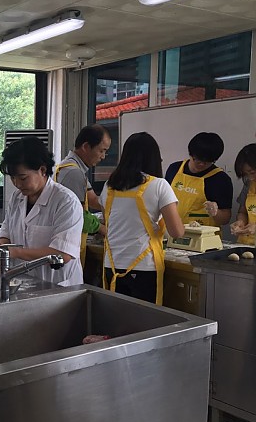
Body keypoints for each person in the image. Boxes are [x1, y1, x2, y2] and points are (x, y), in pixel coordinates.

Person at [0, 136, 84, 286]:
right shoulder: (17, 198)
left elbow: (62, 254)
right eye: (13, 178)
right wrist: (2, 247)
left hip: (60, 286)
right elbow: (7, 234)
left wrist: (16, 253)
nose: (17, 184)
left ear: (42, 170)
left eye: (23, 178)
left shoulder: (66, 201)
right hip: (24, 284)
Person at [99, 132, 185, 305]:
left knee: (117, 322)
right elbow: (176, 232)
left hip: (112, 265)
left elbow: (107, 219)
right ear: (154, 158)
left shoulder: (109, 186)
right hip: (143, 267)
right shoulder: (159, 185)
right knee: (145, 325)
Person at [53, 124, 110, 265]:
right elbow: (78, 216)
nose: (103, 157)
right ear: (86, 146)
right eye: (101, 151)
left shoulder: (71, 167)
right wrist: (103, 229)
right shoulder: (73, 173)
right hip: (66, 246)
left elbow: (93, 200)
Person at [165, 132, 233, 226]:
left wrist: (216, 213)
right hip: (171, 231)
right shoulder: (174, 169)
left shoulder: (220, 180)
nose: (201, 164)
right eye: (197, 160)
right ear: (190, 154)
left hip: (202, 236)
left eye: (207, 162)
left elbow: (225, 219)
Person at [230, 143, 256, 244]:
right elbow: (243, 212)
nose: (250, 178)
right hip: (247, 244)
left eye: (252, 172)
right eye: (246, 174)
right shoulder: (249, 184)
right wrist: (241, 222)